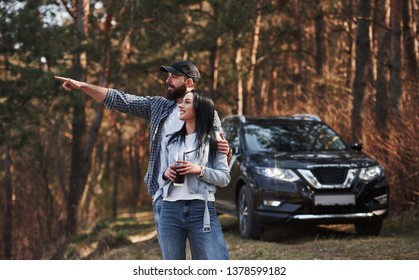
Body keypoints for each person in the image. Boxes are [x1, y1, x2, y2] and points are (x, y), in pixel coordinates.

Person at [54, 60, 231, 237]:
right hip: (164, 197)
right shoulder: (158, 106)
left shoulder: (209, 113)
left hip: (197, 200)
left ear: (189, 82)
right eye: (168, 76)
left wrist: (227, 150)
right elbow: (120, 99)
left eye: (174, 77)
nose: (167, 81)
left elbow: (219, 149)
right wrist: (83, 86)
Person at [158, 90, 230, 260]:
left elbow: (224, 178)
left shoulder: (215, 141)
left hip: (201, 209)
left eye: (187, 102)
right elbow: (160, 177)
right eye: (182, 102)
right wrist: (165, 174)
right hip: (170, 210)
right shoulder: (170, 140)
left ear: (199, 108)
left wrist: (199, 170)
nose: (181, 105)